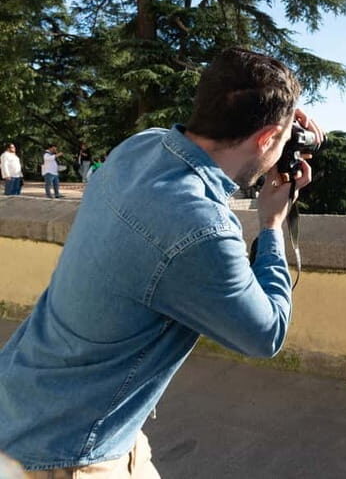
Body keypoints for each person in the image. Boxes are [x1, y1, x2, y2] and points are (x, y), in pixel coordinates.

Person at [0, 47, 323, 477]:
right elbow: (267, 333)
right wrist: (271, 224)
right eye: (280, 139)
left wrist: (283, 120)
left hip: (26, 399)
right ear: (265, 139)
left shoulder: (141, 147)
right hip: (69, 452)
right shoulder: (200, 230)